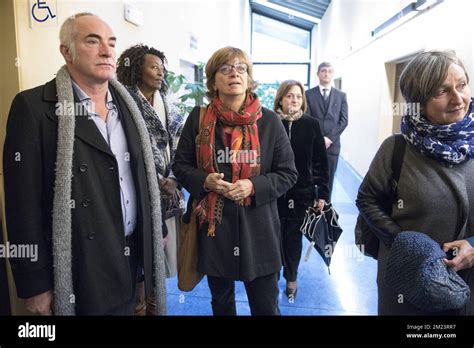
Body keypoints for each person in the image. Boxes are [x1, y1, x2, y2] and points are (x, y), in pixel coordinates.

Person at [3, 13, 167, 315]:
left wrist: (149, 255)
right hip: (80, 268)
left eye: (111, 43)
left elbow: (142, 184)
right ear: (67, 51)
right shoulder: (33, 108)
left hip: (132, 261)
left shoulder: (130, 106)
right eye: (93, 41)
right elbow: (21, 203)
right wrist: (34, 284)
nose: (107, 51)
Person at [172, 46, 297, 315]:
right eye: (225, 69)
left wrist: (253, 185)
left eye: (241, 68)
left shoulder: (270, 121)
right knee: (222, 303)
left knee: (266, 306)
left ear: (249, 78)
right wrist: (205, 180)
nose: (234, 74)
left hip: (260, 228)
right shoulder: (198, 119)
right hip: (215, 229)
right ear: (213, 80)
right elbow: (180, 166)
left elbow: (288, 173)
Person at [356, 50, 474, 315]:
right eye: (442, 91)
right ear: (419, 102)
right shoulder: (397, 148)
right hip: (408, 281)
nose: (458, 99)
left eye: (462, 85)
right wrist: (407, 246)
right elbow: (367, 199)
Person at [117, 44, 184, 315]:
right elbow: (124, 146)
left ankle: (154, 305)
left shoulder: (168, 104)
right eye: (153, 67)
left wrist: (174, 178)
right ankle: (139, 305)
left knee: (161, 255)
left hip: (168, 186)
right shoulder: (124, 102)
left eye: (162, 68)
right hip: (137, 187)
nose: (160, 73)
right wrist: (153, 177)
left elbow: (182, 142)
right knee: (139, 254)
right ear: (136, 69)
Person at [274, 80, 329, 300]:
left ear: (302, 100)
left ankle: (291, 278)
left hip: (301, 194)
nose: (294, 100)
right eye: (289, 96)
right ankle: (272, 275)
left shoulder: (311, 124)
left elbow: (320, 162)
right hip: (274, 193)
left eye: (298, 96)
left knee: (293, 238)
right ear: (281, 99)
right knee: (273, 237)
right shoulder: (270, 123)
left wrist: (322, 193)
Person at [306, 62, 348, 200]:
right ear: (318, 74)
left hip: (332, 146)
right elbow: (307, 118)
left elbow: (343, 120)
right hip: (313, 145)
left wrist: (329, 138)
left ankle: (326, 210)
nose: (326, 74)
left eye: (330, 71)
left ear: (332, 74)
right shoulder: (308, 94)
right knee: (311, 177)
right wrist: (319, 139)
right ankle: (311, 208)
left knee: (328, 180)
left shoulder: (341, 96)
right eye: (323, 71)